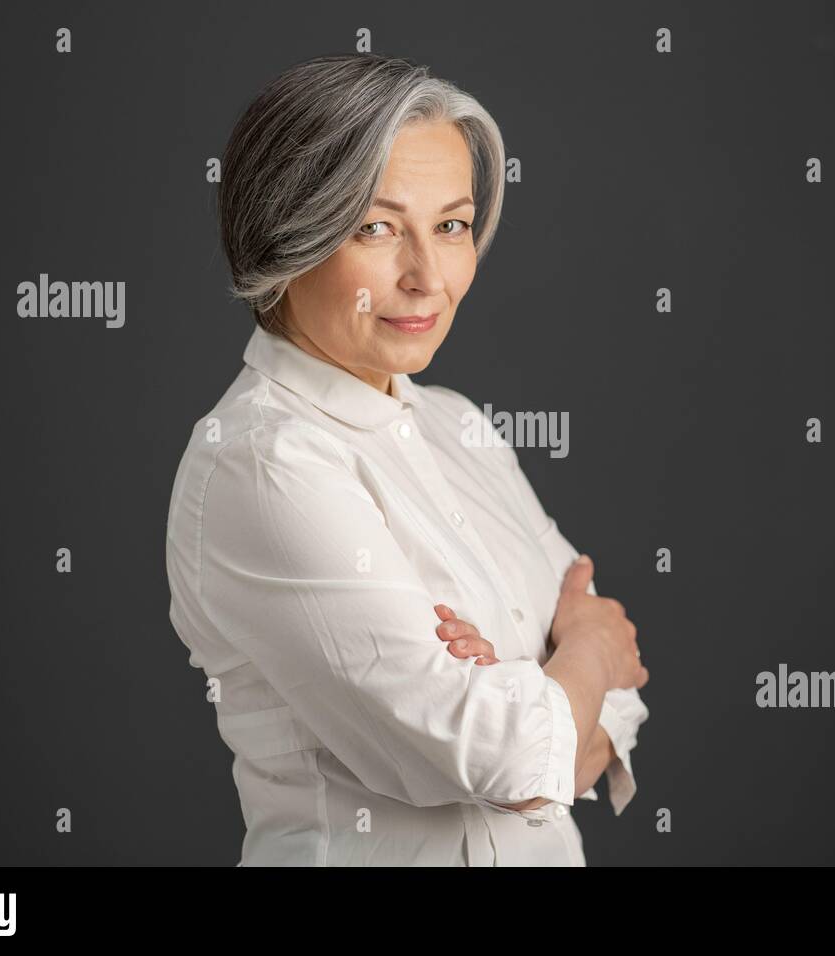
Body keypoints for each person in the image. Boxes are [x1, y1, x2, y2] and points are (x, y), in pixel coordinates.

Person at [165, 53, 649, 865]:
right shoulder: (263, 466)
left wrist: (545, 705)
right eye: (376, 227)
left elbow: (614, 715)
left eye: (452, 226)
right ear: (288, 233)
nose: (428, 276)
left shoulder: (458, 426)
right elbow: (507, 754)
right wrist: (583, 652)